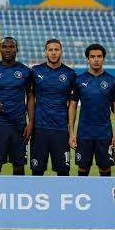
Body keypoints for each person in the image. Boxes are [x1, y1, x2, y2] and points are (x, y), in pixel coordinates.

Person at [69, 43, 115, 176]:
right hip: (84, 133)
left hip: (104, 134)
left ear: (103, 58)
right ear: (88, 59)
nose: (96, 59)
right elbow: (73, 106)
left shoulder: (112, 81)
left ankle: (105, 191)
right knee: (83, 169)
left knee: (105, 169)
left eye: (99, 56)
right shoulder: (79, 80)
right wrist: (71, 133)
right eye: (92, 57)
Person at [0, 37, 34, 175]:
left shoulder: (25, 71)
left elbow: (30, 97)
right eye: (5, 47)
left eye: (11, 47)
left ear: (16, 49)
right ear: (0, 49)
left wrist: (31, 123)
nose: (8, 49)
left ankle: (18, 190)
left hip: (19, 126)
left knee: (19, 166)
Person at [29, 39, 76, 176]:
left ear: (61, 52)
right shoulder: (35, 71)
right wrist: (30, 123)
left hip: (60, 130)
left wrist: (71, 132)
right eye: (50, 50)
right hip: (39, 130)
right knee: (37, 173)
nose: (53, 53)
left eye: (56, 49)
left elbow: (72, 104)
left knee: (63, 173)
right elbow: (30, 98)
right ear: (45, 52)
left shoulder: (70, 74)